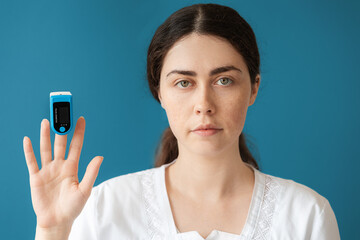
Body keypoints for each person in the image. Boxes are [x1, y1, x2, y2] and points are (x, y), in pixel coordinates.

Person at [23, 3, 341, 240]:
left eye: (224, 80)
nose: (203, 105)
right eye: (183, 83)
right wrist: (52, 230)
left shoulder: (306, 217)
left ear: (253, 88)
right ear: (159, 91)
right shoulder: (105, 208)